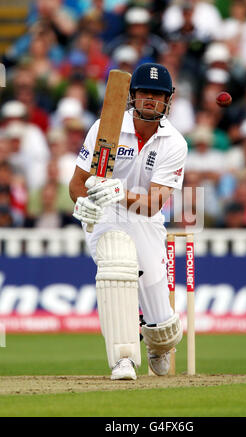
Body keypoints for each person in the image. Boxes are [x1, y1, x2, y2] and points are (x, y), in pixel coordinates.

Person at [69, 63, 187, 380]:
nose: (151, 100)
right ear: (133, 95)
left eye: (158, 95)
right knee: (117, 266)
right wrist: (84, 205)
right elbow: (76, 185)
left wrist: (119, 192)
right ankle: (123, 359)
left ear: (169, 99)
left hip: (143, 218)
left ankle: (158, 345)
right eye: (145, 93)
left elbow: (152, 206)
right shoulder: (104, 127)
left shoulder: (174, 143)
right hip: (105, 216)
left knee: (162, 323)